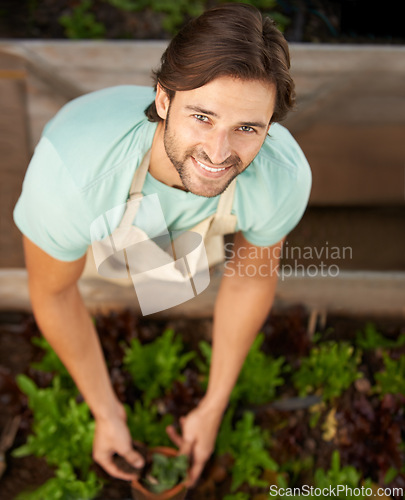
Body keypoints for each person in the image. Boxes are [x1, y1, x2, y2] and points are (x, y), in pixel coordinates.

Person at [13, 2, 311, 488]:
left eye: (247, 128)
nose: (219, 153)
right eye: (202, 116)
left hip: (198, 240)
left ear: (270, 125)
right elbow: (53, 293)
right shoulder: (73, 178)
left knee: (185, 272)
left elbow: (248, 281)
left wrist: (214, 405)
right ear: (164, 99)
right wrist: (106, 413)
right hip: (93, 242)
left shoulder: (282, 178)